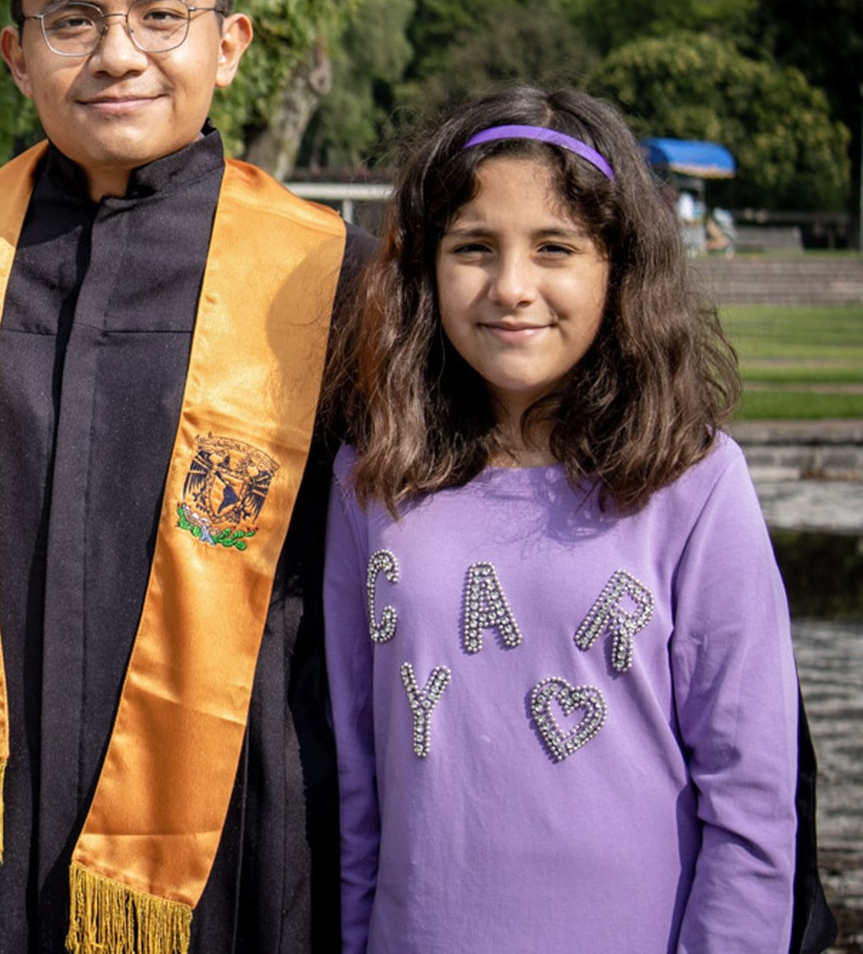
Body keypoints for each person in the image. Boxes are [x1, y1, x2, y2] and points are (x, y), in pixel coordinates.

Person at [0, 0, 374, 954]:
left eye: (159, 16)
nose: (116, 55)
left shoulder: (326, 280)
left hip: (225, 827)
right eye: (72, 21)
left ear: (228, 43)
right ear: (16, 55)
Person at [323, 87, 799, 950]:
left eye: (554, 247)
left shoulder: (693, 482)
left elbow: (753, 804)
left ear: (617, 265)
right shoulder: (373, 478)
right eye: (474, 247)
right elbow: (355, 782)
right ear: (426, 268)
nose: (512, 287)